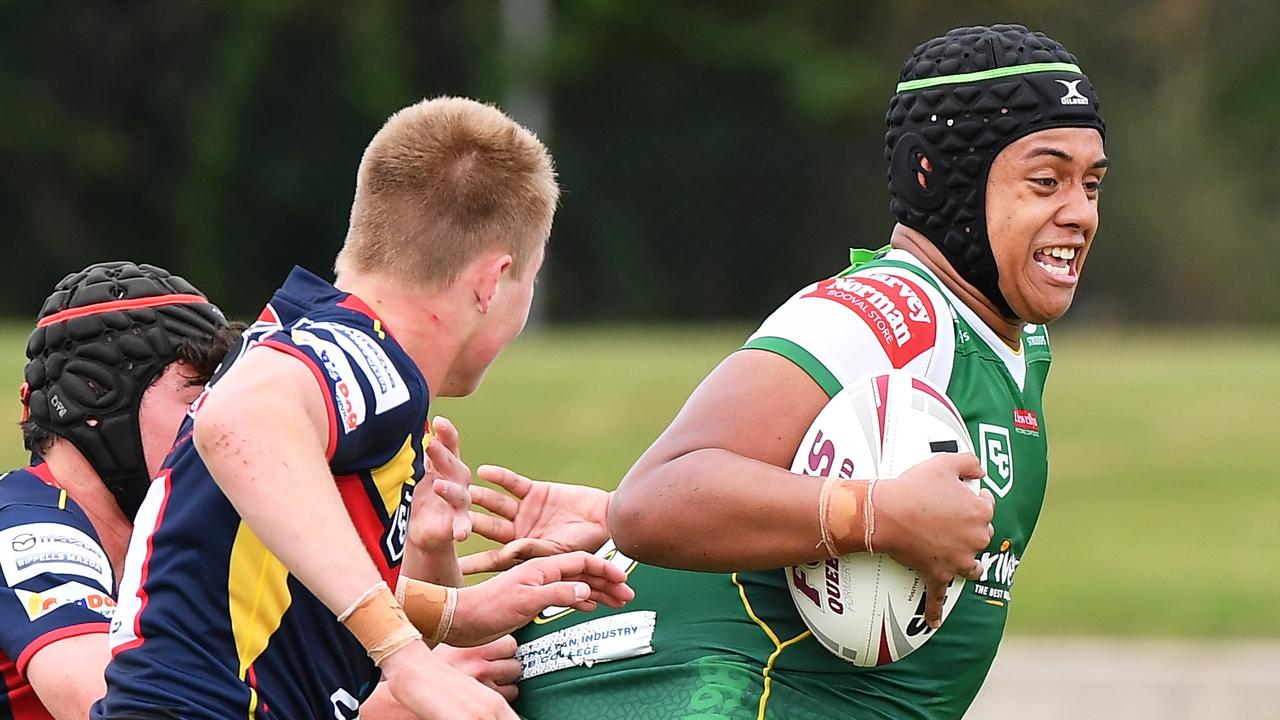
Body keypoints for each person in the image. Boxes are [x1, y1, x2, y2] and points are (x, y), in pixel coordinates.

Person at [469, 24, 1109, 719]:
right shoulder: (890, 314)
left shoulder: (1012, 340)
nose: (1079, 213)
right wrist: (877, 514)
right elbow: (653, 502)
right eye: (1047, 181)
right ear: (936, 176)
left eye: (1092, 184)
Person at [91, 97, 633, 720]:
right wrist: (407, 660)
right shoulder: (368, 358)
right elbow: (239, 421)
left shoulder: (317, 336)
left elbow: (263, 573)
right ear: (493, 279)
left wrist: (455, 612)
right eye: (529, 280)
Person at [0, 262, 233, 719]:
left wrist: (419, 550)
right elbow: (122, 711)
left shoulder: (170, 536)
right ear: (98, 400)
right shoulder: (25, 527)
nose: (225, 428)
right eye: (199, 401)